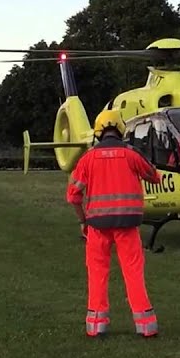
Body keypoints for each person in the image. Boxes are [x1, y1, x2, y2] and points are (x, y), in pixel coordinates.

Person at [66, 107, 163, 338]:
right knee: (133, 272)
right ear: (121, 129)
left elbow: (73, 195)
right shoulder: (131, 154)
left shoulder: (87, 159)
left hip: (97, 227)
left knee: (97, 273)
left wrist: (83, 222)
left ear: (98, 131)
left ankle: (96, 324)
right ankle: (146, 325)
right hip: (128, 226)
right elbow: (154, 176)